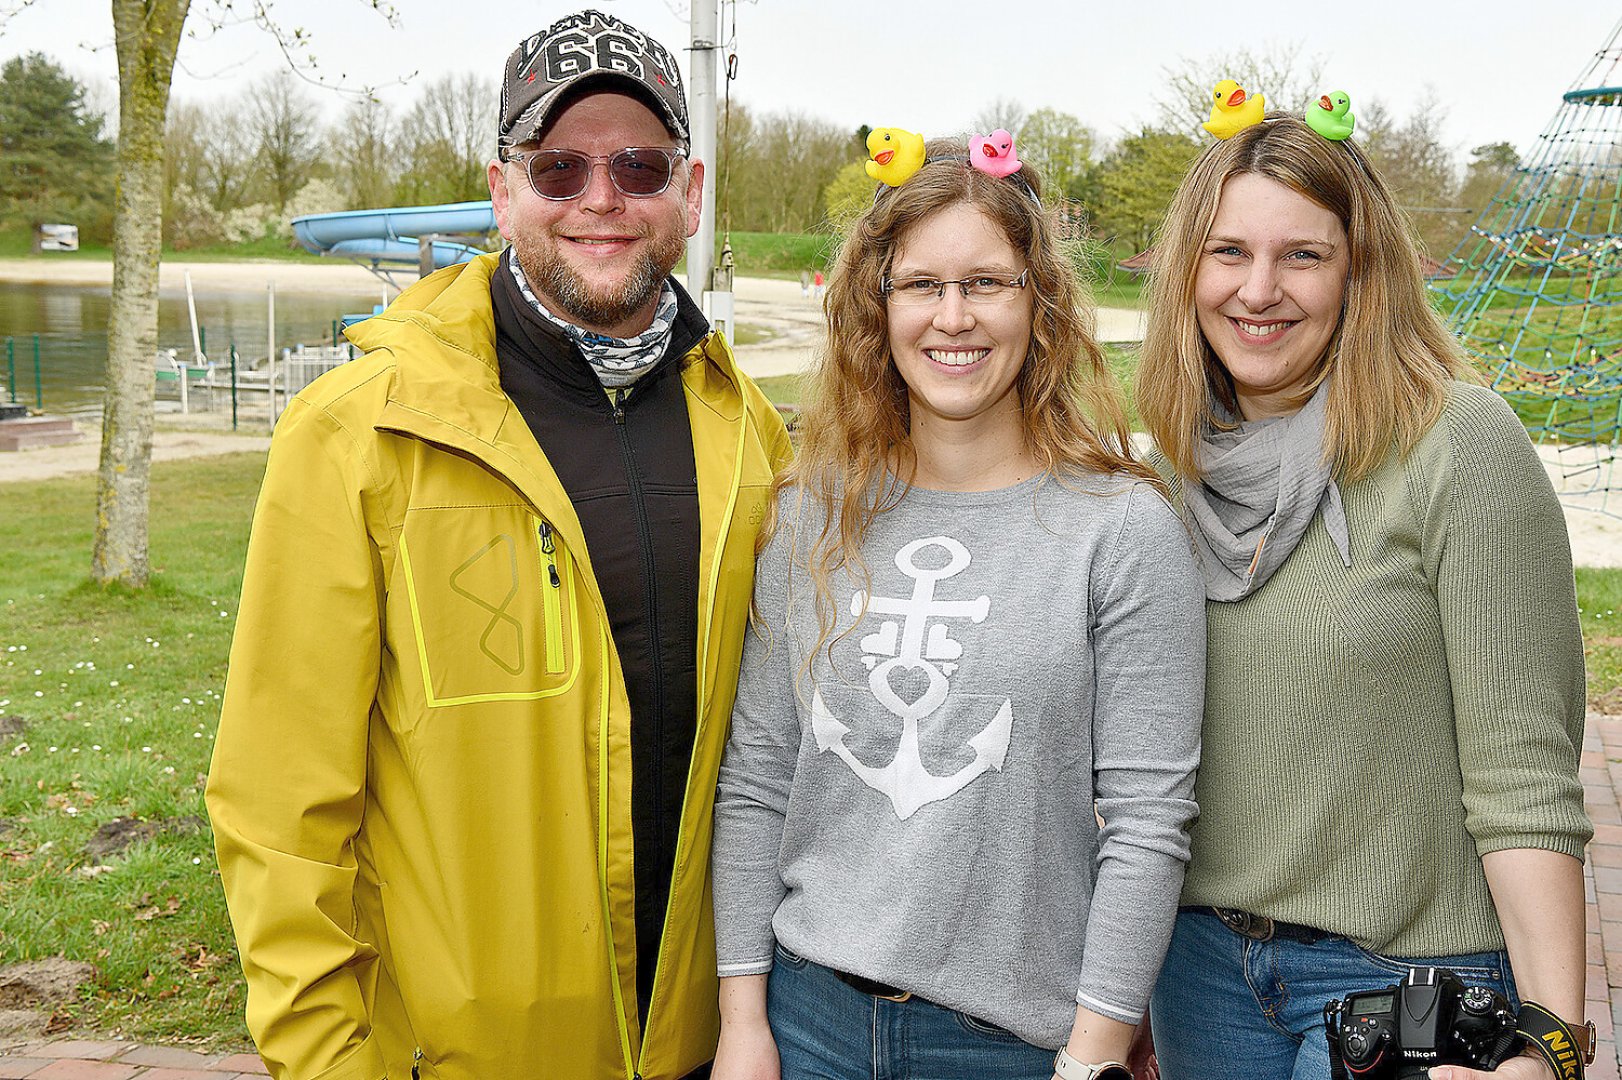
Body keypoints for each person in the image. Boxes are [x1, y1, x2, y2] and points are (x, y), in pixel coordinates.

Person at [205, 10, 792, 1080]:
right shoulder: (358, 434)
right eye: (558, 167)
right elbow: (279, 801)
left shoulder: (747, 430)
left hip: (705, 1051)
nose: (601, 198)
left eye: (640, 165)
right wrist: (325, 1061)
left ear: (690, 193)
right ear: (500, 188)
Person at [708, 139, 1205, 1080]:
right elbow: (759, 780)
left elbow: (1147, 819)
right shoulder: (811, 510)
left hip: (1012, 1045)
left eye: (987, 282)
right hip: (806, 1019)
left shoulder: (1122, 529)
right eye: (921, 286)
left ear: (1039, 300)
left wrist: (1095, 1052)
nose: (953, 317)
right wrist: (744, 1019)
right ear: (876, 307)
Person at [1134, 112, 1592, 1080]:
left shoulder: (1454, 445)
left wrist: (1551, 1043)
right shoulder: (1165, 475)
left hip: (1403, 979)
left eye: (1301, 255)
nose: (1258, 290)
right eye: (1228, 253)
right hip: (1199, 972)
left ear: (1358, 271)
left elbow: (1523, 779)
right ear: (1187, 271)